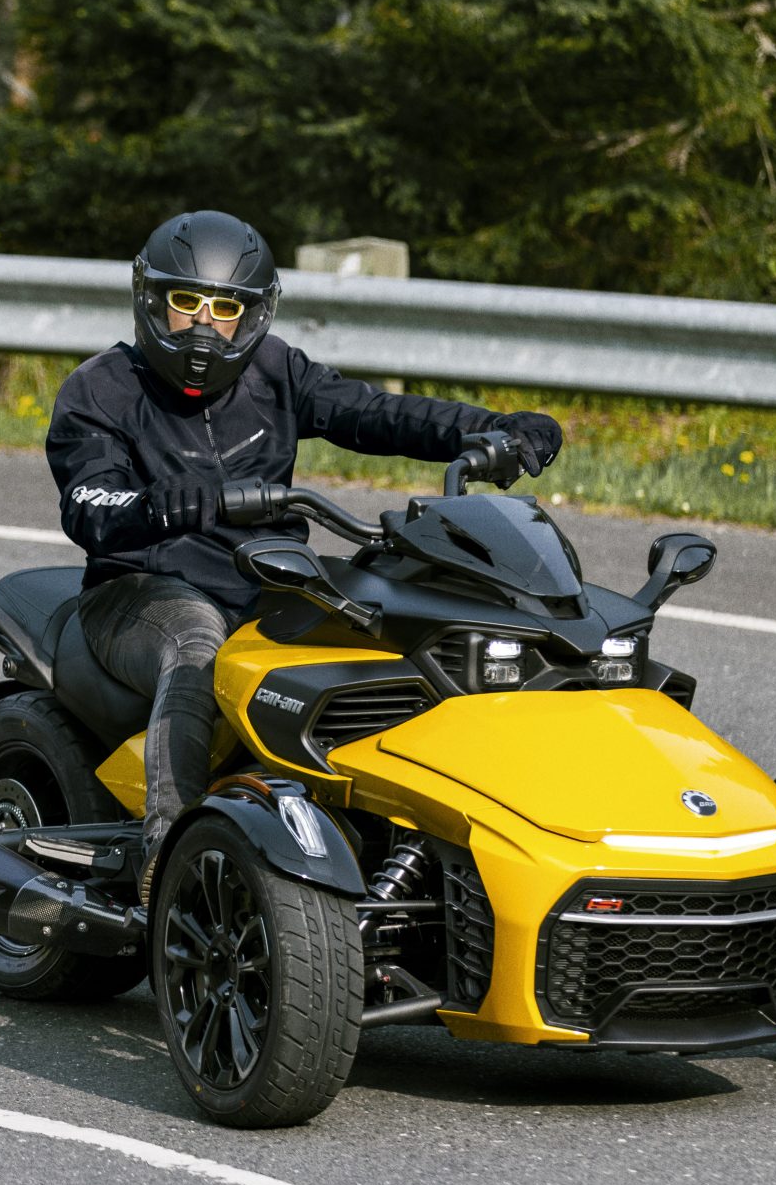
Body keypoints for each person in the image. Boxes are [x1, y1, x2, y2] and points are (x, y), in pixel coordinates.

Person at [46, 210, 562, 887]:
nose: (204, 325)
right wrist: (156, 505)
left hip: (267, 585)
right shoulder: (101, 389)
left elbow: (373, 412)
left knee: (394, 632)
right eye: (187, 302)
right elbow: (88, 505)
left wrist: (491, 429)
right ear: (153, 300)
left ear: (251, 314)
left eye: (224, 308)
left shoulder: (276, 371)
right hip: (137, 593)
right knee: (198, 647)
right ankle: (167, 859)